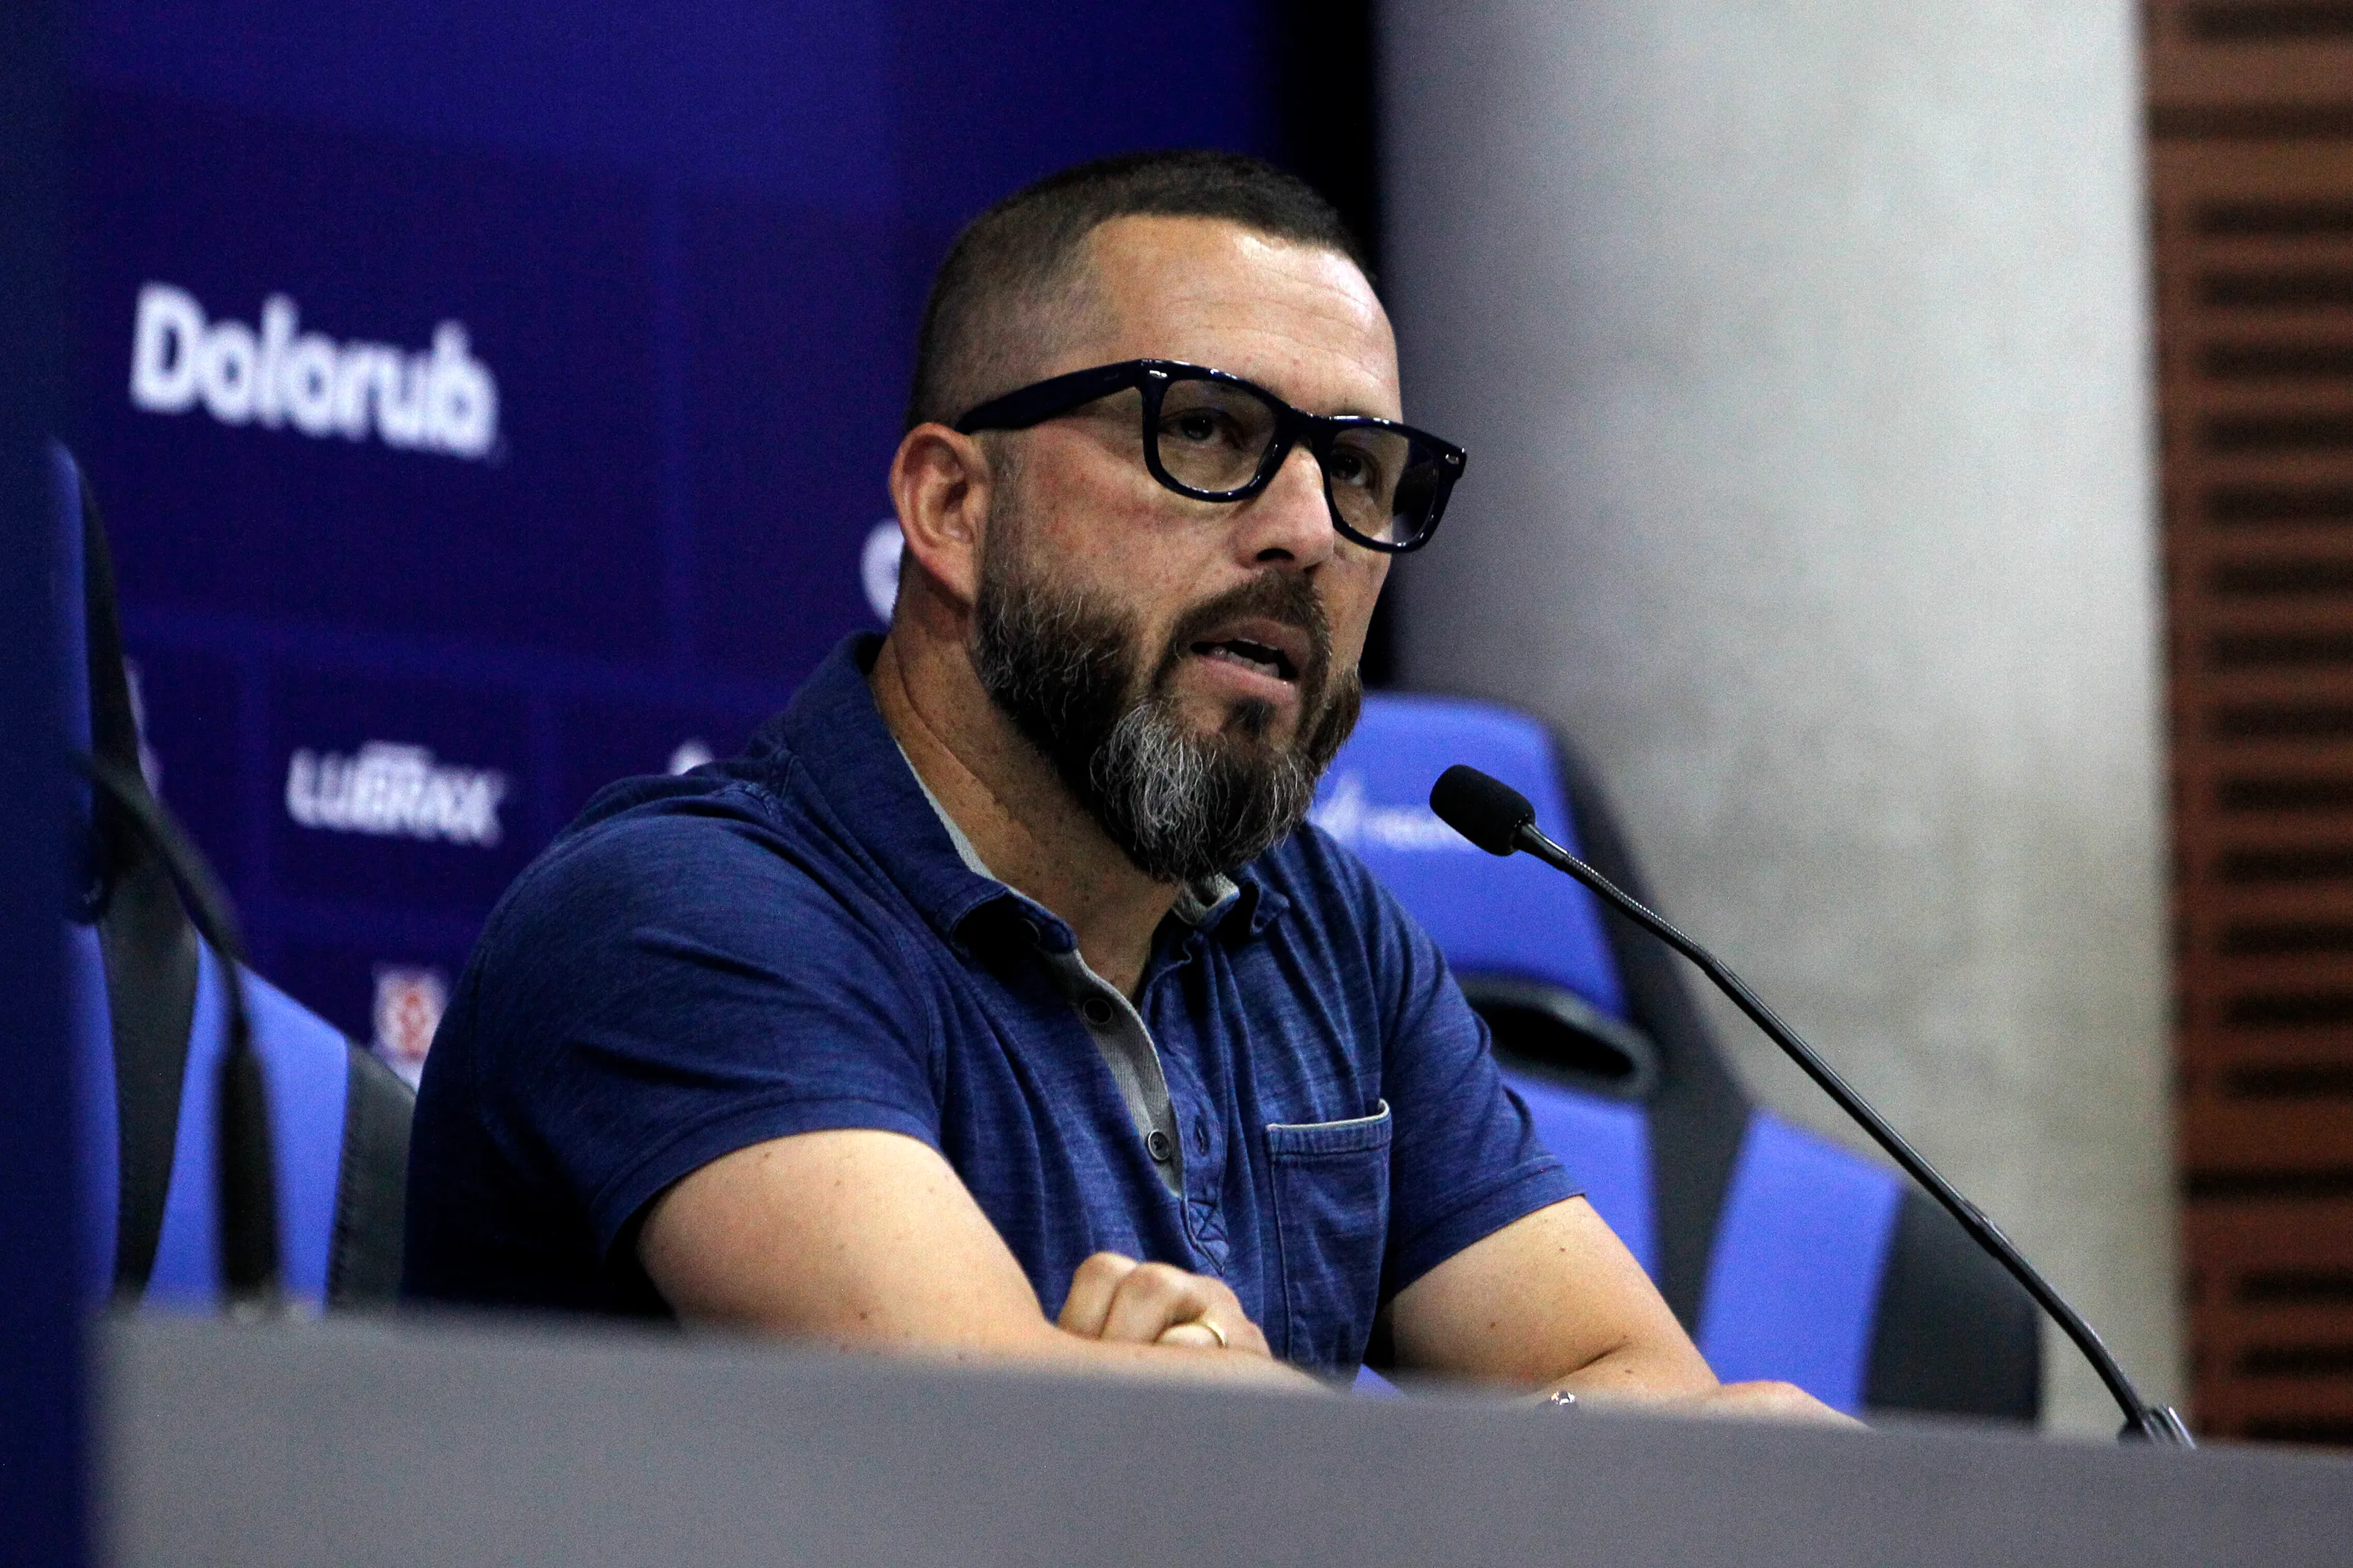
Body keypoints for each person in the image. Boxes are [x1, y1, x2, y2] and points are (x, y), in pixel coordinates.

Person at [404, 150, 1841, 1421]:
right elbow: (1011, 1480)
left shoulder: (1323, 933)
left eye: (1357, 467)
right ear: (954, 509)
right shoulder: (684, 917)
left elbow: (1635, 1387)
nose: (1306, 534)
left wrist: (1285, 1432)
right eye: (1206, 431)